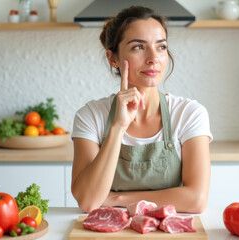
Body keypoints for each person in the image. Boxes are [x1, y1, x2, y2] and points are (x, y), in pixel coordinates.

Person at [71, 5, 212, 214]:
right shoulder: (91, 116)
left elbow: (195, 200)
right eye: (139, 47)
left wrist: (118, 198)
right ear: (113, 59)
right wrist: (118, 127)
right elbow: (89, 201)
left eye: (161, 47)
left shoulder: (189, 114)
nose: (153, 58)